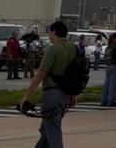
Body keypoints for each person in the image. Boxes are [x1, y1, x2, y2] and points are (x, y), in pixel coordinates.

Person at [20, 20, 76, 148]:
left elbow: (40, 74)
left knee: (53, 132)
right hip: (66, 95)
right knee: (46, 130)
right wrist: (73, 95)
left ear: (54, 32)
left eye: (49, 32)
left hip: (52, 95)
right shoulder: (73, 48)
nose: (49, 35)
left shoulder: (53, 49)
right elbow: (75, 74)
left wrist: (26, 95)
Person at [101, 33, 116, 107]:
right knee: (113, 85)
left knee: (106, 85)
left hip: (108, 66)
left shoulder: (108, 47)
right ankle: (110, 101)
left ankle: (103, 101)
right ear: (114, 39)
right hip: (115, 66)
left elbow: (105, 58)